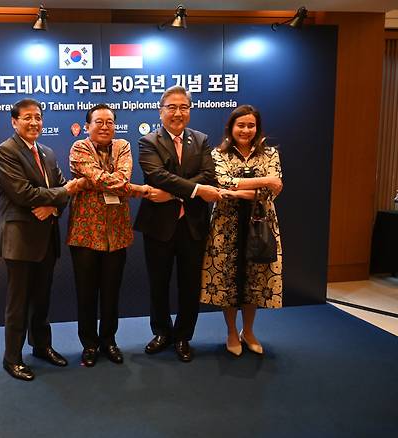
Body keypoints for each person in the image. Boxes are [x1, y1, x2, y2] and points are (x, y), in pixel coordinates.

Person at [0, 98, 81, 381]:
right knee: (18, 302)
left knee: (42, 299)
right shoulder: (6, 151)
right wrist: (59, 195)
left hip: (46, 238)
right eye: (27, 117)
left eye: (38, 117)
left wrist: (53, 206)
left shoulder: (47, 153)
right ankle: (12, 358)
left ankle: (42, 346)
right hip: (20, 240)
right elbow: (23, 193)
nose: (34, 122)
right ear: (14, 121)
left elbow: (62, 191)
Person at [134, 86, 221, 362]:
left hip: (193, 225)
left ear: (190, 111)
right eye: (171, 107)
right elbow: (157, 176)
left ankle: (183, 336)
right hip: (158, 225)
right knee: (158, 282)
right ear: (161, 111)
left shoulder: (202, 140)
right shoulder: (148, 142)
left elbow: (209, 176)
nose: (178, 113)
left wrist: (176, 191)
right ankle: (161, 332)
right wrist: (195, 190)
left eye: (183, 107)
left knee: (190, 284)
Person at [67, 103, 150, 367]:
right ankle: (89, 345)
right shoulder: (79, 148)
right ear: (88, 126)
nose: (105, 127)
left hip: (117, 234)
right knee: (86, 293)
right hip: (84, 234)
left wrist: (116, 182)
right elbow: (101, 178)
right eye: (98, 122)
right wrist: (132, 188)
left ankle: (109, 341)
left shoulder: (123, 146)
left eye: (109, 122)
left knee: (112, 292)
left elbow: (121, 175)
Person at [200, 104, 283, 356]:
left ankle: (249, 331)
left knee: (254, 280)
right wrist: (264, 182)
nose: (246, 130)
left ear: (257, 128)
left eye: (251, 125)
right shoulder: (217, 154)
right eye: (241, 125)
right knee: (228, 282)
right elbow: (222, 184)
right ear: (231, 127)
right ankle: (231, 332)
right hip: (226, 227)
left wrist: (239, 190)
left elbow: (274, 189)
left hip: (260, 226)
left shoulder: (270, 154)